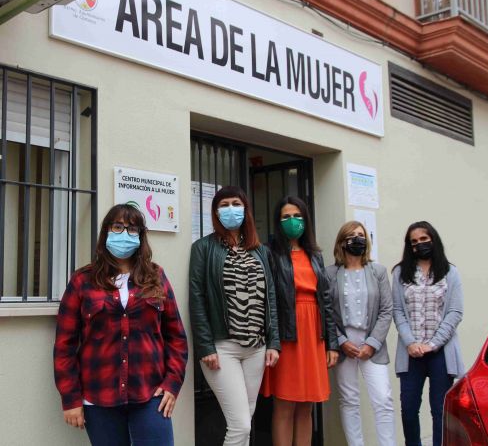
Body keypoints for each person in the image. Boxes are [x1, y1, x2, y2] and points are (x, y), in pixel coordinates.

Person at [54, 203, 188, 446]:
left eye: (132, 229)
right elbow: (64, 346)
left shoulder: (156, 277)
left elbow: (176, 337)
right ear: (106, 232)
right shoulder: (82, 280)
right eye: (118, 227)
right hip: (99, 397)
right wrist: (71, 398)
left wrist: (172, 383)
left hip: (150, 394)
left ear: (141, 236)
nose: (124, 234)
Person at [189, 185, 280, 446]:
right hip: (222, 348)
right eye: (224, 204)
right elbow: (197, 299)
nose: (231, 209)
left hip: (256, 348)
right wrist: (205, 346)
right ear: (216, 211)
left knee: (245, 420)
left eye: (236, 204)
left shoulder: (260, 250)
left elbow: (270, 298)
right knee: (240, 424)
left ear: (246, 210)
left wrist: (273, 342)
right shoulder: (203, 248)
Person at [261, 196, 339, 446]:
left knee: (307, 406)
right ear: (278, 222)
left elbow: (326, 300)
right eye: (285, 217)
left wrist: (332, 344)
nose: (292, 221)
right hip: (288, 333)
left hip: (313, 332)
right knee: (284, 404)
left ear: (305, 220)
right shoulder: (270, 254)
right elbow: (269, 299)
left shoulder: (315, 255)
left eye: (297, 216)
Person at [392, 221, 464, 446]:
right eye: (414, 242)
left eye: (424, 239)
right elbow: (397, 311)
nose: (419, 244)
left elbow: (455, 312)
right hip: (411, 353)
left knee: (439, 411)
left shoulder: (450, 272)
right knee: (409, 410)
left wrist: (433, 344)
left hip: (441, 353)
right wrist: (411, 343)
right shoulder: (399, 272)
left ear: (433, 239)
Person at [325, 221, 396, 446]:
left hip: (372, 344)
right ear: (342, 241)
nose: (357, 239)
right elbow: (326, 312)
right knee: (349, 400)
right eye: (352, 235)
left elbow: (387, 310)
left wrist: (372, 343)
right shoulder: (329, 273)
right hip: (344, 345)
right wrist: (341, 341)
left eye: (361, 235)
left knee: (383, 399)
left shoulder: (378, 271)